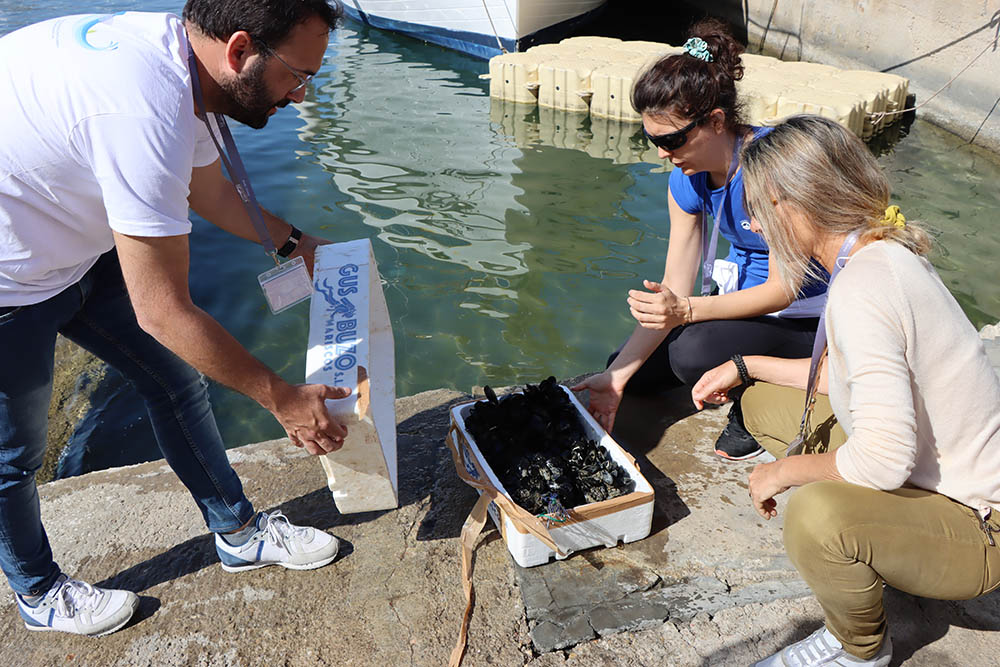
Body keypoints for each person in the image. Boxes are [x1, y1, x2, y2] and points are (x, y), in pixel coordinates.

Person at [0, 0, 354, 637]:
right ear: (241, 50)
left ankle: (238, 532)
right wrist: (282, 398)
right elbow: (162, 311)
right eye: (297, 76)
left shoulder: (185, 65)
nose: (300, 96)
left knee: (177, 382)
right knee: (13, 456)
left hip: (78, 250)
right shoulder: (143, 106)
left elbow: (206, 188)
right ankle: (39, 593)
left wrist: (291, 242)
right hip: (8, 280)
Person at [691, 115, 1000, 666]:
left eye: (759, 210)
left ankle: (858, 648)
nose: (756, 227)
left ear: (793, 203)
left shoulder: (863, 286)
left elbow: (883, 459)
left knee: (815, 516)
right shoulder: (877, 255)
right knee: (761, 401)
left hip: (977, 524)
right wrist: (747, 366)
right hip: (927, 468)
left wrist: (781, 473)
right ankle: (879, 537)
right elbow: (850, 378)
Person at [573, 19, 827, 461]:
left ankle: (756, 401)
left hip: (807, 317)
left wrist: (688, 311)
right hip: (742, 305)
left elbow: (784, 288)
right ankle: (689, 372)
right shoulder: (685, 181)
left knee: (693, 353)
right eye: (651, 139)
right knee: (628, 365)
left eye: (672, 139)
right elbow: (676, 282)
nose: (662, 153)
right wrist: (618, 376)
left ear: (715, 120)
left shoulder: (772, 168)